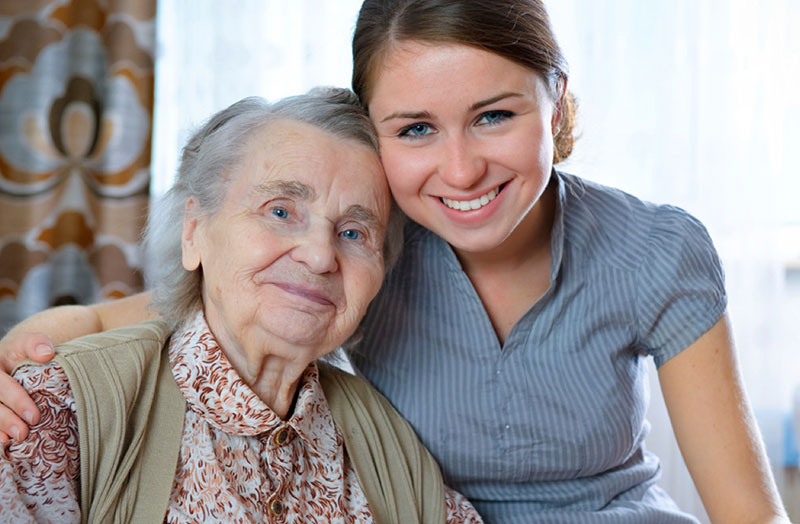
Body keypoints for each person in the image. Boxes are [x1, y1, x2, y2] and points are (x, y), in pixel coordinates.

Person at [0, 1, 791, 523]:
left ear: (558, 102)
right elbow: (200, 306)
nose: (460, 170)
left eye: (493, 116)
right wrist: (38, 341)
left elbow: (748, 513)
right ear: (375, 133)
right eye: (414, 129)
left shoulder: (656, 250)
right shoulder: (368, 251)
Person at [0, 88, 483, 523]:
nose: (319, 255)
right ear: (195, 232)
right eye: (280, 212)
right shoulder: (54, 408)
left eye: (354, 233)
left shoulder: (391, 452)